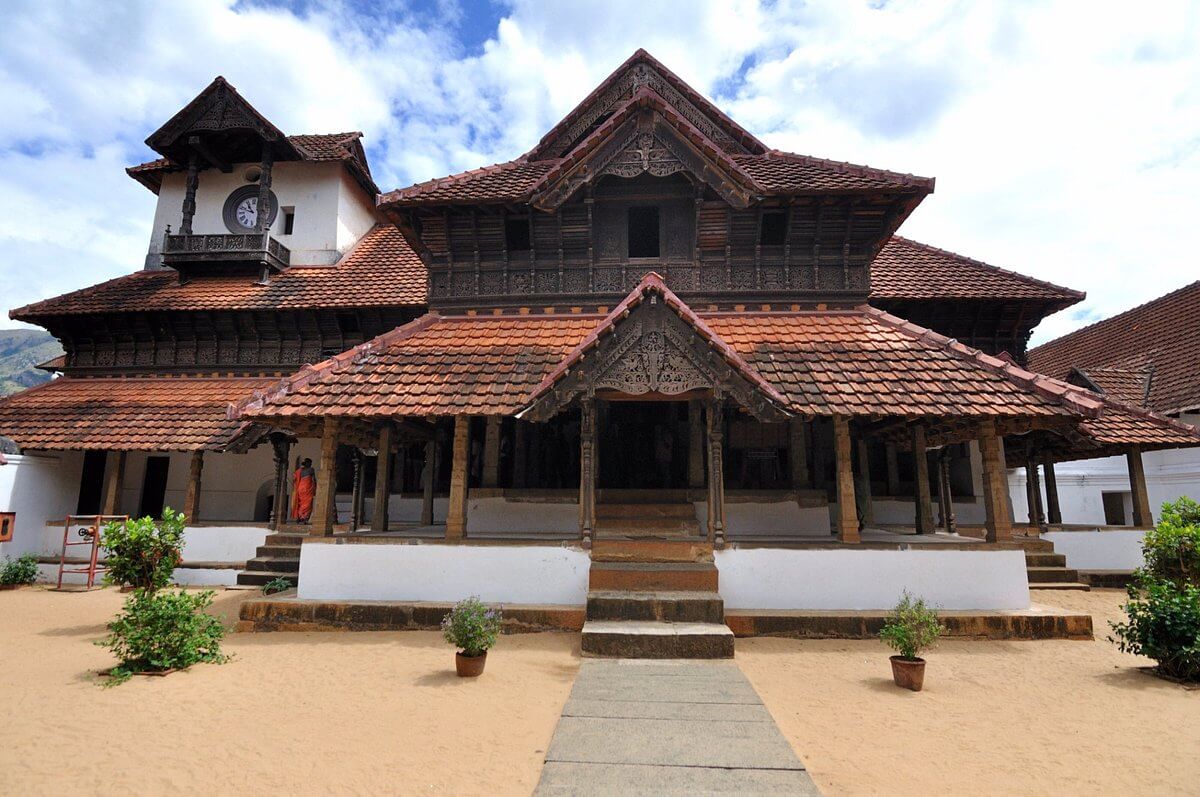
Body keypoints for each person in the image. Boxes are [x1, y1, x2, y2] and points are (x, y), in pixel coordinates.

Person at [292, 457, 316, 523]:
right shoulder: (311, 469)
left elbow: (294, 478)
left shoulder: (299, 471)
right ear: (308, 463)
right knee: (308, 503)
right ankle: (304, 517)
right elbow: (314, 480)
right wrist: (315, 488)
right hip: (307, 488)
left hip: (300, 488)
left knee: (301, 503)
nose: (311, 464)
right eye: (310, 463)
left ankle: (299, 517)